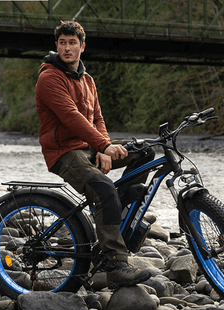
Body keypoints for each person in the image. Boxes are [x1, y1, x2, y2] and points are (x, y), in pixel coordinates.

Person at [35, 20, 154, 288]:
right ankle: (116, 265)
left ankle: (118, 215)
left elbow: (97, 118)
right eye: (62, 43)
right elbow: (71, 117)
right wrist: (102, 146)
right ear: (57, 46)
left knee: (145, 152)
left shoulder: (87, 79)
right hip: (64, 152)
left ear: (82, 47)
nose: (67, 48)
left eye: (72, 43)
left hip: (90, 147)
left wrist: (105, 148)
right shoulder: (49, 78)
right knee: (104, 189)